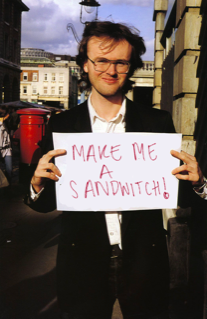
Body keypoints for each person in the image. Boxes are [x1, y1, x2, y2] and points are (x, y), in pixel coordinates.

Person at [25, 21, 202, 319]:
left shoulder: (157, 123)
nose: (111, 70)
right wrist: (36, 184)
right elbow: (41, 205)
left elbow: (180, 196)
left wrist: (199, 184)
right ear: (85, 65)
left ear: (130, 67)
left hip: (145, 261)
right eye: (102, 61)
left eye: (120, 62)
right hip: (81, 261)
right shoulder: (62, 125)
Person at [0, 105, 12, 186]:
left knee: (9, 169)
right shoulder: (1, 121)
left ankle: (8, 185)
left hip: (7, 149)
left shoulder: (6, 123)